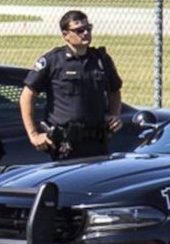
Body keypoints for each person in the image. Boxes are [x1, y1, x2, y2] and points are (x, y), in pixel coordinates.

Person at [21, 10, 123, 160]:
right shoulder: (53, 61)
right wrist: (34, 134)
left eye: (88, 28)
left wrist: (115, 115)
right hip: (64, 146)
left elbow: (115, 90)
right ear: (65, 35)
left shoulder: (101, 60)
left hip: (98, 144)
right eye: (79, 30)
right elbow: (27, 96)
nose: (85, 33)